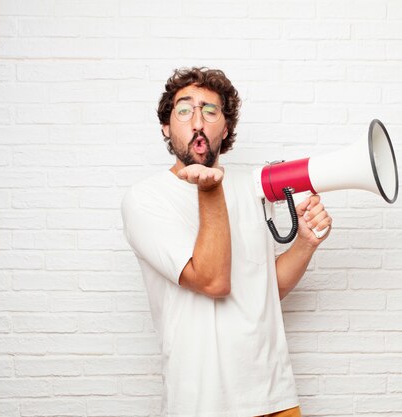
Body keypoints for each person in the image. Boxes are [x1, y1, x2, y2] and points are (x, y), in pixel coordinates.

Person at [121, 67, 331, 417]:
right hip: (203, 401)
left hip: (273, 393)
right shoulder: (145, 199)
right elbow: (213, 280)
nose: (197, 122)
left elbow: (264, 289)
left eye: (210, 111)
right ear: (166, 127)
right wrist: (211, 189)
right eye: (184, 110)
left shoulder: (252, 188)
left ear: (226, 127)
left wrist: (305, 244)